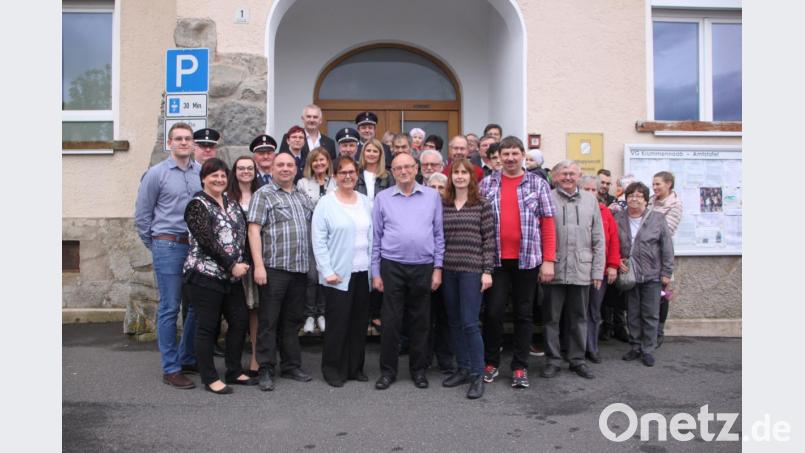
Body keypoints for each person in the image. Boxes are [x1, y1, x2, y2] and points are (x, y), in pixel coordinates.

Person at [478, 136, 556, 389]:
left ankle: (520, 366)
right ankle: (491, 362)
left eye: (515, 153)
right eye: (505, 154)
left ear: (523, 154)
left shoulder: (538, 183)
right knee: (493, 313)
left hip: (528, 260)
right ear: (498, 157)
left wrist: (549, 261)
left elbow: (548, 223)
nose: (510, 158)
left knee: (524, 315)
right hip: (496, 260)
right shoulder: (487, 184)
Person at [135, 122, 201, 390]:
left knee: (195, 306)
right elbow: (142, 216)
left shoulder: (200, 173)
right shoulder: (156, 174)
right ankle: (171, 368)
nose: (184, 143)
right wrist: (157, 245)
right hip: (168, 245)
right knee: (170, 307)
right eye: (179, 139)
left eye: (188, 139)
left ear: (193, 143)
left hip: (195, 247)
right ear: (170, 143)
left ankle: (186, 356)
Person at [372, 153, 445, 390]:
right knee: (391, 322)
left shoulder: (432, 196)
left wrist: (437, 268)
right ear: (392, 172)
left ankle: (419, 370)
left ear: (416, 169)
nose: (403, 171)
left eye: (408, 167)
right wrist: (376, 272)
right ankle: (388, 371)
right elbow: (376, 237)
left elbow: (438, 235)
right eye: (398, 168)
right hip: (391, 265)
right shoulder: (382, 198)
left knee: (420, 321)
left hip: (423, 266)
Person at [183, 158, 255, 394]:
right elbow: (207, 242)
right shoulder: (197, 205)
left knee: (239, 320)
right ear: (204, 178)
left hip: (232, 278)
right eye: (213, 175)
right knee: (207, 327)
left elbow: (242, 236)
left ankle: (234, 371)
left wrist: (243, 261)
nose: (219, 179)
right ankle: (209, 377)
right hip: (205, 275)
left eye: (223, 176)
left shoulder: (232, 204)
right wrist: (231, 264)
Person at [247, 152, 314, 391]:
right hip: (273, 269)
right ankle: (265, 368)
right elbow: (254, 231)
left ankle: (291, 365)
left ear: (296, 169)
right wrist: (259, 266)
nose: (285, 169)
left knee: (292, 321)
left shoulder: (302, 196)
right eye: (280, 165)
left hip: (298, 269)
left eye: (289, 165)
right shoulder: (263, 194)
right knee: (268, 321)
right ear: (272, 169)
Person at [311, 156, 374, 387]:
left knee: (358, 324)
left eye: (351, 172)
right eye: (342, 172)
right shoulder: (326, 203)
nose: (348, 176)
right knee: (338, 325)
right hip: (337, 275)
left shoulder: (367, 202)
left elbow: (373, 237)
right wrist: (326, 270)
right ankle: (333, 369)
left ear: (357, 174)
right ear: (335, 176)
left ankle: (355, 367)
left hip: (362, 272)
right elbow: (318, 241)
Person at [539, 162, 605, 380]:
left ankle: (577, 360)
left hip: (581, 268)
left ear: (579, 176)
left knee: (579, 317)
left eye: (572, 173)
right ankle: (553, 359)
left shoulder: (590, 200)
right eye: (563, 173)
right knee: (551, 318)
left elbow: (598, 237)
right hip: (553, 268)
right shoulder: (547, 197)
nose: (567, 177)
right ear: (555, 176)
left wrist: (597, 271)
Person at [440, 159, 495, 399]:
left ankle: (477, 374)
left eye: (464, 172)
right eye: (456, 173)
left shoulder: (482, 204)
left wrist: (487, 271)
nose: (460, 176)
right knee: (453, 321)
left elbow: (489, 240)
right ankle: (462, 367)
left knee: (470, 323)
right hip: (449, 269)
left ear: (472, 177)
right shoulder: (444, 204)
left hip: (472, 270)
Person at [616, 182, 674, 367]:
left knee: (650, 313)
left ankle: (648, 349)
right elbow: (611, 242)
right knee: (632, 313)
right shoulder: (618, 218)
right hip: (630, 274)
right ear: (626, 199)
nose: (634, 199)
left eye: (639, 196)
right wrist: (616, 260)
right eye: (630, 195)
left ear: (646, 200)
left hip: (652, 274)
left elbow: (667, 247)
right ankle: (635, 346)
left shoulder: (657, 218)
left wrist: (666, 272)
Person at [579, 175, 620, 364]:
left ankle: (592, 347)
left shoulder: (605, 212)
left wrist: (612, 265)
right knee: (577, 311)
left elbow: (613, 242)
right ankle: (575, 347)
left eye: (593, 190)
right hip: (578, 269)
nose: (589, 193)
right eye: (585, 189)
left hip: (599, 270)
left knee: (594, 310)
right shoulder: (574, 210)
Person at [226, 156, 262, 377]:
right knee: (236, 315)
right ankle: (234, 363)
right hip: (232, 262)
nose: (246, 171)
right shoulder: (227, 197)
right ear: (235, 171)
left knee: (256, 311)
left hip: (256, 258)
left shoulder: (263, 194)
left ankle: (257, 360)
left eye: (250, 168)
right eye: (241, 168)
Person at [296, 148, 337, 334]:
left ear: (328, 162)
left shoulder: (335, 182)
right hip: (310, 235)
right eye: (315, 161)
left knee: (325, 276)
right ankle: (309, 315)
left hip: (332, 237)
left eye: (322, 160)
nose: (319, 164)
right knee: (312, 276)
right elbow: (304, 208)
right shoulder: (303, 183)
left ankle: (322, 313)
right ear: (310, 164)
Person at [425, 173, 455, 375]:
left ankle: (445, 359)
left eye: (440, 187)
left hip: (450, 268)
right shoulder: (421, 209)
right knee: (425, 316)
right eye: (432, 187)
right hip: (426, 266)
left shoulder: (453, 209)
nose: (436, 191)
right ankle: (424, 358)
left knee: (446, 316)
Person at [649, 171, 682, 347]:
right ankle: (648, 331)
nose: (654, 188)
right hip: (646, 256)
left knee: (661, 295)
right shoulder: (650, 201)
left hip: (661, 256)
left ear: (668, 184)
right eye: (653, 184)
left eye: (658, 184)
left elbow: (666, 231)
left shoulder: (675, 205)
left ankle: (658, 332)